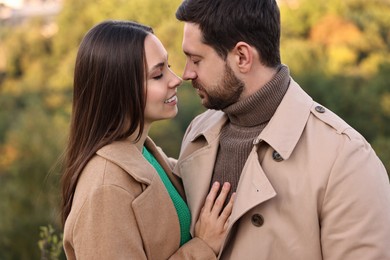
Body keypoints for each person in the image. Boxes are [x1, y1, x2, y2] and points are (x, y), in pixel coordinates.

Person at [173, 0, 390, 259]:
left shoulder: (346, 159)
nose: (186, 73)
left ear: (242, 57)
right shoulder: (198, 133)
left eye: (196, 60)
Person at [61, 20, 235, 259]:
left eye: (169, 67)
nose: (175, 79)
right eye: (158, 74)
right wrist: (202, 247)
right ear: (119, 89)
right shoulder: (105, 190)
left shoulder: (144, 154)